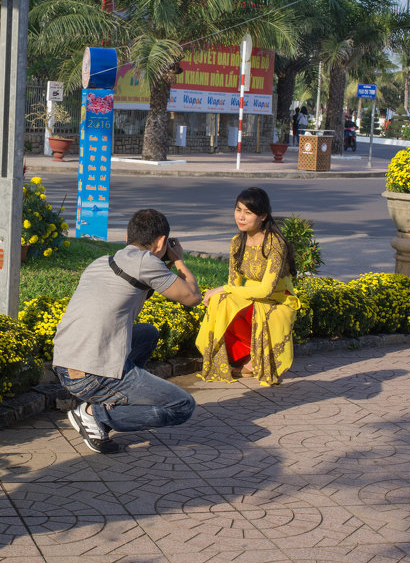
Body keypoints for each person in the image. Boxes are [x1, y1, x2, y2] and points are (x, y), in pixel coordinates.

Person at [53, 208, 202, 453]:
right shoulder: (146, 263)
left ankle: (110, 400)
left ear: (127, 238)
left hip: (65, 365)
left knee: (148, 334)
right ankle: (95, 414)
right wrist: (177, 259)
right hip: (92, 376)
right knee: (182, 406)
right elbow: (192, 297)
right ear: (162, 241)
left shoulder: (101, 261)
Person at [197, 187, 303, 387]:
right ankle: (245, 357)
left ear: (263, 216)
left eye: (248, 212)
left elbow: (265, 291)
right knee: (219, 304)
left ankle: (256, 360)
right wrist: (223, 292)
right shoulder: (237, 241)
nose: (241, 217)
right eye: (238, 210)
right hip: (250, 295)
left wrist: (223, 289)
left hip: (278, 299)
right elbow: (234, 283)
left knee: (235, 302)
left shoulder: (275, 244)